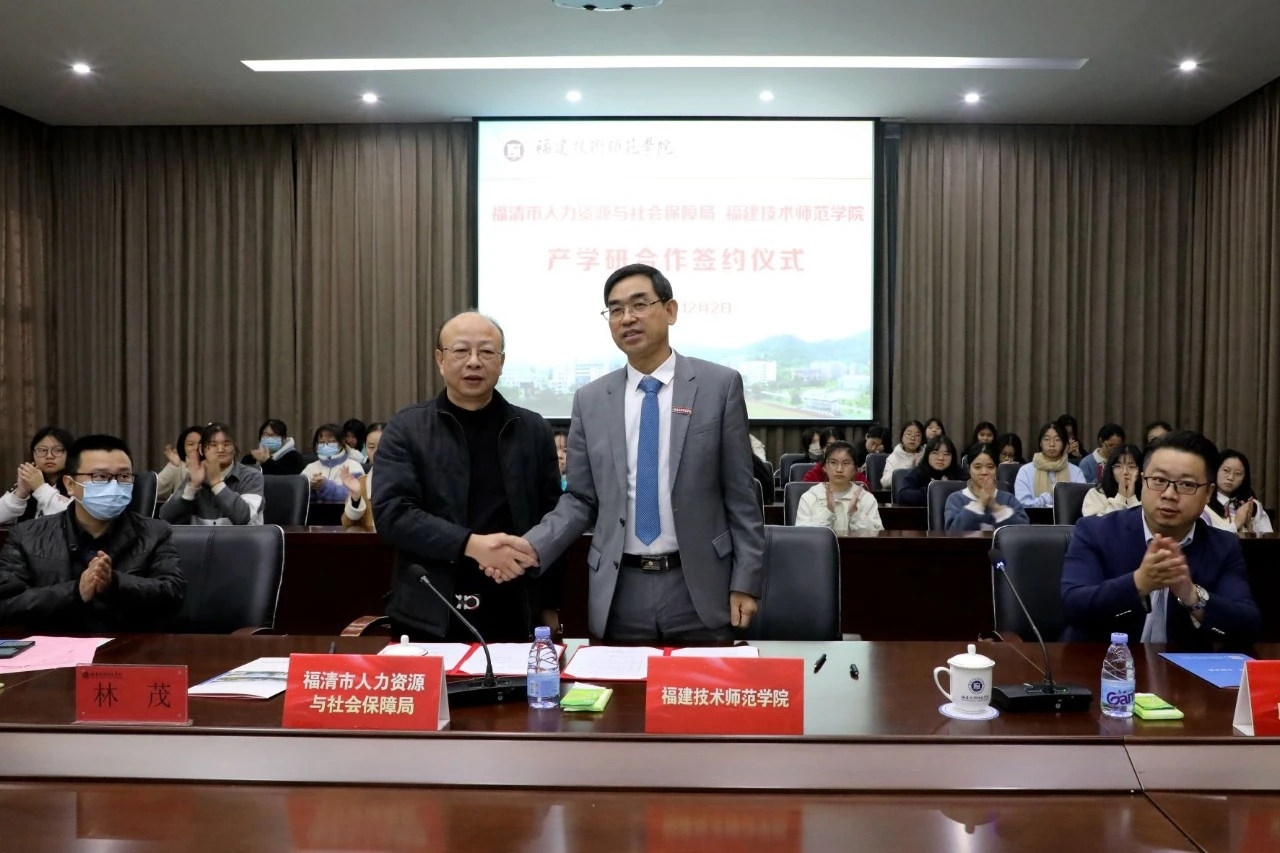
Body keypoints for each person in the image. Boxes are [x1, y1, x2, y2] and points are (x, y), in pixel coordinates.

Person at [514, 264, 765, 642]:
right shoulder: (590, 399)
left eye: (639, 304)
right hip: (619, 589)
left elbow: (741, 494)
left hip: (700, 585)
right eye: (615, 310)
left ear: (670, 310)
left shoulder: (719, 386)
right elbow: (580, 499)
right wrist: (532, 546)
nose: (627, 318)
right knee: (620, 683)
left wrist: (746, 579)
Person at [372, 312, 565, 642]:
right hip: (430, 612)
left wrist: (549, 603)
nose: (474, 361)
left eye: (487, 352)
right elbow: (393, 515)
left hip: (515, 608)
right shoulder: (406, 429)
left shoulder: (533, 430)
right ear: (440, 359)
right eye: (461, 350)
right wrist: (473, 545)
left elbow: (552, 521)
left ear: (501, 362)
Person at [1060, 431, 1260, 647]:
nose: (1169, 494)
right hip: (1102, 663)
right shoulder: (1095, 531)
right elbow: (1072, 606)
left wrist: (1192, 596)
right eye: (1158, 480)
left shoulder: (1223, 546)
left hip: (1181, 666)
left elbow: (1248, 625)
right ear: (1142, 481)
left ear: (1208, 493)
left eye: (1186, 484)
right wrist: (1138, 583)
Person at [0, 434, 185, 632]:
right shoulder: (27, 535)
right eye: (100, 477)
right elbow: (6, 603)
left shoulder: (155, 532)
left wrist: (115, 583)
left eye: (124, 477)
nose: (114, 486)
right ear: (70, 484)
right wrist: (74, 591)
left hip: (128, 645)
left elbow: (173, 595)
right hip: (57, 645)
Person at [159, 422, 264, 525]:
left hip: (241, 537)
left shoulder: (251, 476)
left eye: (226, 444)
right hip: (200, 537)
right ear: (201, 450)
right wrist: (192, 487)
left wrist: (216, 483)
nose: (220, 449)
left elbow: (244, 517)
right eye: (213, 445)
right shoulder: (195, 476)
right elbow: (166, 517)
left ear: (234, 448)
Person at [795, 441, 884, 533]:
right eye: (833, 463)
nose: (839, 469)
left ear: (855, 469)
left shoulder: (865, 498)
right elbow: (803, 535)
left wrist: (856, 514)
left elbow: (877, 535)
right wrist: (828, 512)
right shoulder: (810, 497)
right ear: (824, 467)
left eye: (846, 463)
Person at [944, 443, 1030, 532]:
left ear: (996, 469)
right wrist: (980, 504)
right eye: (977, 467)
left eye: (990, 467)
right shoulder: (956, 499)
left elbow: (1024, 531)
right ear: (969, 469)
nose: (984, 472)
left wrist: (996, 508)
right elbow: (952, 532)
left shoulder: (1008, 499)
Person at [0, 427, 74, 525]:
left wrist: (40, 488)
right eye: (42, 450)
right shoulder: (28, 484)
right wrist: (20, 494)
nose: (49, 456)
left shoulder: (79, 484)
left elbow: (74, 517)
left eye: (57, 450)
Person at [1015, 422, 1085, 508]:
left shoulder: (1076, 472)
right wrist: (1047, 499)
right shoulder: (1026, 471)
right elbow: (1022, 505)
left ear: (1065, 444)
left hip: (1067, 517)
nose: (1052, 444)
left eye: (1057, 440)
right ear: (1040, 443)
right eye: (1047, 439)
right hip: (1034, 517)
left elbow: (1082, 503)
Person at [1209, 450, 1273, 535]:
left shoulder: (1253, 506)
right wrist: (1236, 524)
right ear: (1215, 470)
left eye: (1238, 473)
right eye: (1226, 470)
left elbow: (1269, 539)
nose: (1230, 477)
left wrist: (1248, 524)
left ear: (1244, 478)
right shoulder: (1203, 504)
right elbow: (1204, 539)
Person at [301, 424, 366, 503]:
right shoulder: (310, 468)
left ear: (341, 443)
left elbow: (356, 496)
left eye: (331, 442)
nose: (326, 446)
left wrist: (325, 486)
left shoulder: (354, 466)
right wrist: (311, 489)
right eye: (321, 442)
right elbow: (298, 495)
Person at [341, 422, 385, 531]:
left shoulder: (409, 481)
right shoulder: (361, 483)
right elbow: (346, 524)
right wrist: (356, 499)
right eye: (371, 447)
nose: (376, 452)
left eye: (383, 446)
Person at [896, 435, 964, 507]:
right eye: (935, 453)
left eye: (946, 454)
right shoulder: (917, 473)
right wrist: (934, 489)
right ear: (927, 455)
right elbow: (903, 496)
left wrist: (947, 488)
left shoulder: (959, 473)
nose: (941, 458)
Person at [1082, 444, 1144, 517]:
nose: (1125, 472)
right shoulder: (1096, 494)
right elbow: (1095, 523)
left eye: (1131, 466)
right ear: (1111, 470)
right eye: (1118, 466)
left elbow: (1146, 522)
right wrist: (1120, 499)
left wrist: (1132, 499)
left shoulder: (1149, 493)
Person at [241, 419, 307, 476]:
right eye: (266, 435)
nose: (270, 438)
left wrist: (267, 461)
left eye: (275, 435)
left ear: (283, 439)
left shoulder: (294, 458)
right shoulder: (250, 458)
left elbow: (288, 480)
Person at [156, 425, 202, 502]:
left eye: (200, 444)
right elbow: (155, 490)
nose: (196, 448)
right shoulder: (179, 464)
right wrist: (173, 466)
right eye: (191, 444)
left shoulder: (214, 465)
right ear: (183, 447)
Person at [880, 420, 925, 488]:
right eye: (908, 434)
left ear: (921, 439)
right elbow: (885, 482)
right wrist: (909, 470)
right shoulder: (894, 458)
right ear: (902, 437)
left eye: (917, 435)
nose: (913, 438)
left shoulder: (927, 456)